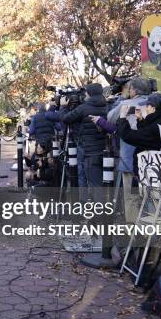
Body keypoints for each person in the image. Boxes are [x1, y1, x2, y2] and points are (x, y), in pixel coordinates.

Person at [107, 77, 152, 222]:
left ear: (134, 90)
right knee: (151, 195)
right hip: (152, 157)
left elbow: (111, 118)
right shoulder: (154, 103)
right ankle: (153, 226)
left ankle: (133, 227)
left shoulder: (126, 104)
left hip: (129, 157)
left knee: (131, 196)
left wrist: (122, 99)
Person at [62, 83, 108, 194]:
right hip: (104, 149)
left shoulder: (84, 108)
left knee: (93, 182)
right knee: (101, 182)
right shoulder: (108, 105)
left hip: (89, 150)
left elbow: (66, 119)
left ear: (90, 93)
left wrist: (63, 107)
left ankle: (90, 207)